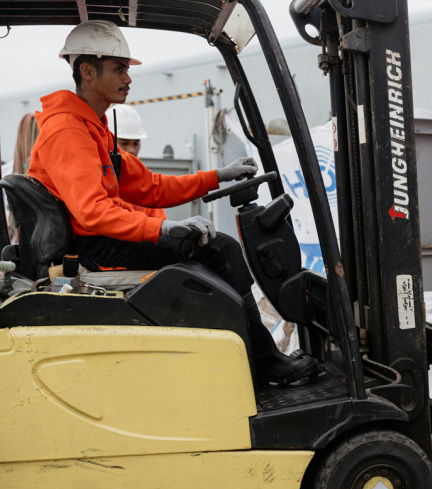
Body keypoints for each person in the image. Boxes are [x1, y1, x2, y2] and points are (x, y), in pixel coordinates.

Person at [28, 20, 316, 385]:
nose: (128, 79)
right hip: (90, 249)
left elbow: (151, 187)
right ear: (87, 71)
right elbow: (93, 211)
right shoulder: (69, 131)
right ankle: (263, 361)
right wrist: (163, 229)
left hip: (95, 241)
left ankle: (254, 358)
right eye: (119, 69)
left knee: (218, 250)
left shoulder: (93, 129)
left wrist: (218, 176)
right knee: (219, 251)